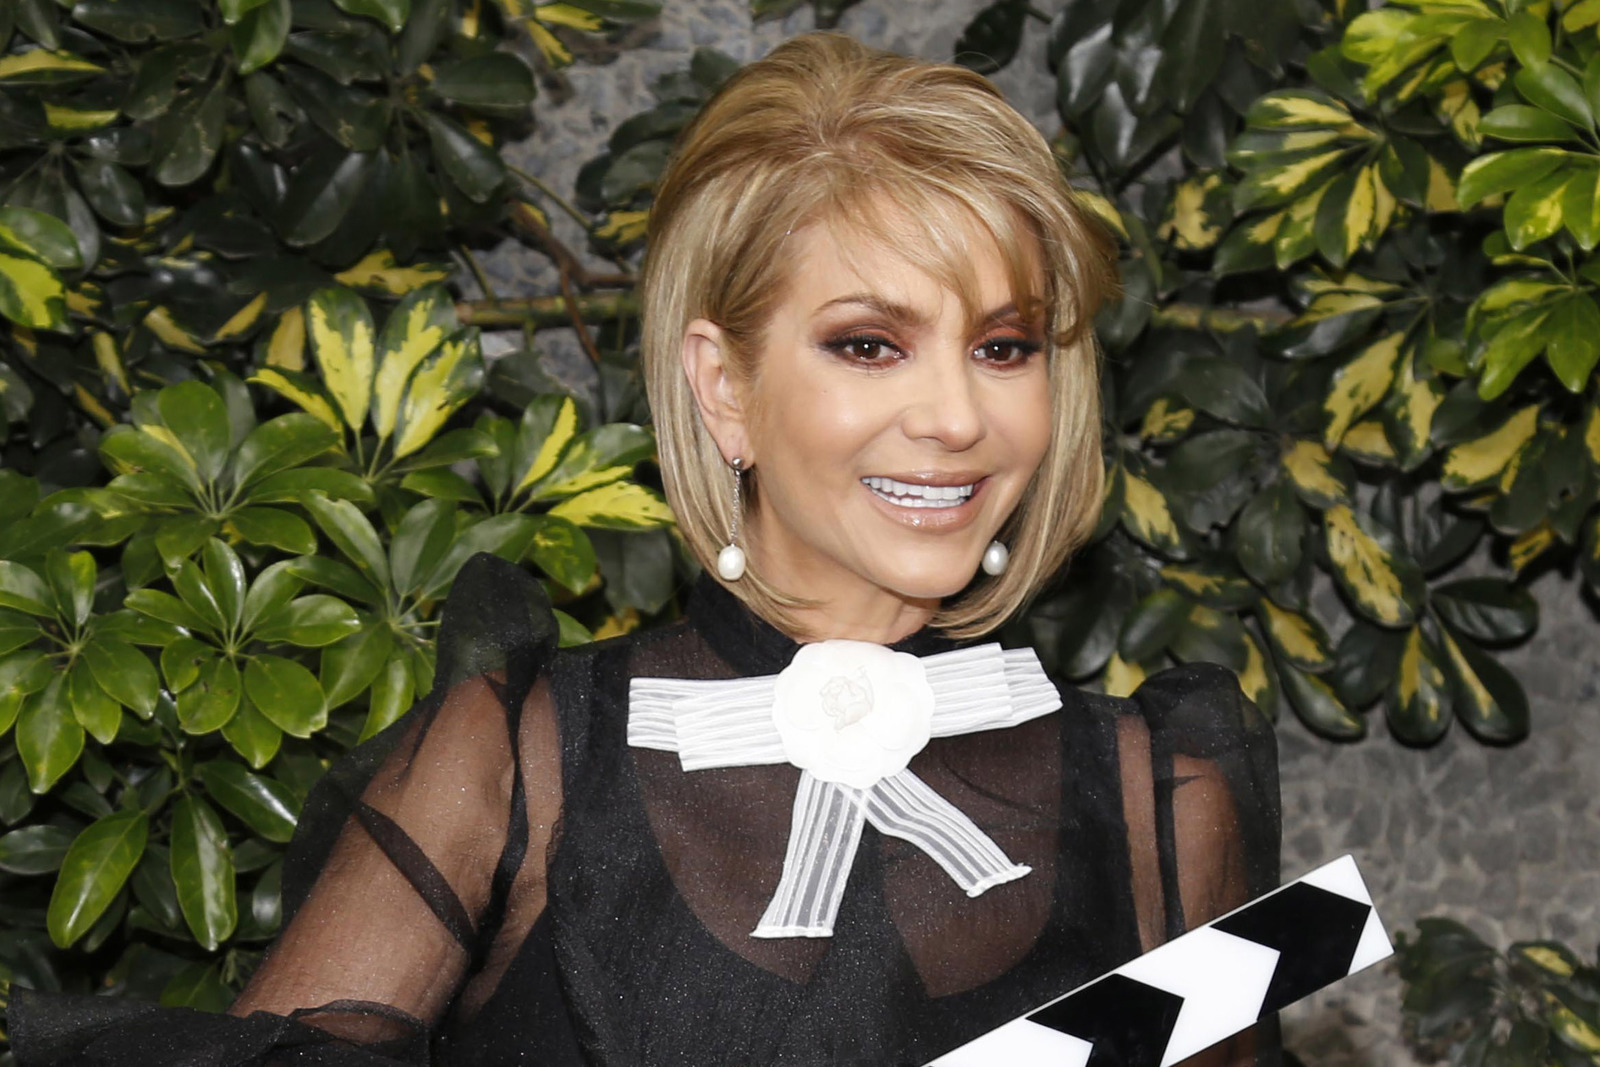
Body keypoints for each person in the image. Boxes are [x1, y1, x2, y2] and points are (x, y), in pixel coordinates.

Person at [8, 31, 1281, 1067]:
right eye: (868, 343)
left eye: (1003, 346)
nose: (955, 415)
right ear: (722, 387)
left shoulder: (1160, 798)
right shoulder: (520, 762)